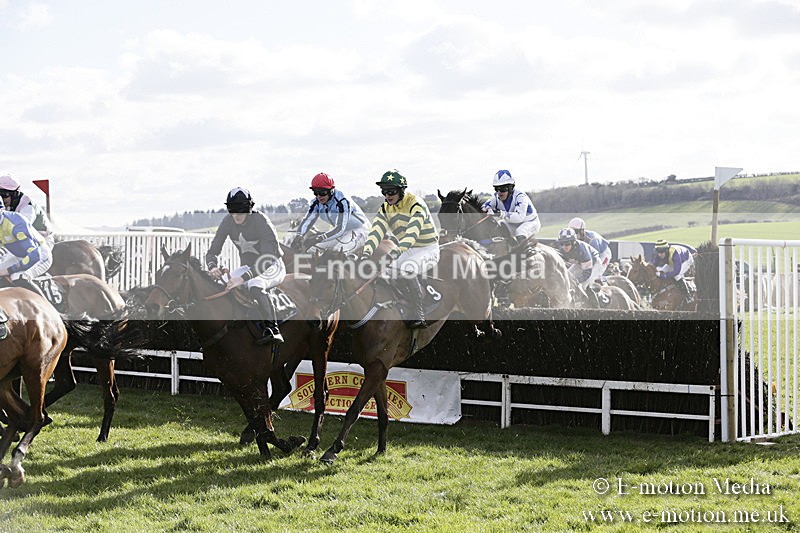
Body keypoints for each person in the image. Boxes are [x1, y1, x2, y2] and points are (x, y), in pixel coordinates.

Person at [205, 187, 285, 345]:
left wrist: (243, 278)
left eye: (239, 212)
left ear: (249, 208)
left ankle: (273, 329)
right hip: (249, 267)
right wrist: (213, 266)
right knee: (225, 285)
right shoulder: (228, 220)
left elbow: (267, 259)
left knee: (255, 284)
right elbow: (212, 251)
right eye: (232, 212)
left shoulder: (262, 221)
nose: (235, 216)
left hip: (272, 265)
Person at [361, 170, 439, 328]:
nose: (387, 195)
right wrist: (366, 254)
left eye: (391, 191)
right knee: (386, 273)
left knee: (407, 269)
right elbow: (376, 232)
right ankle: (402, 301)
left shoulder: (416, 204)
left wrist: (393, 254)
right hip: (408, 249)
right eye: (384, 192)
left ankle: (420, 314)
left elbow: (411, 235)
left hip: (427, 248)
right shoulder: (386, 208)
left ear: (401, 190)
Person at [292, 173, 370, 253]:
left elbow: (340, 228)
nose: (319, 196)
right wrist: (299, 235)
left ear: (331, 190)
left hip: (360, 230)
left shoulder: (342, 201)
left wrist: (319, 238)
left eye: (322, 192)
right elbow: (308, 220)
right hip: (341, 233)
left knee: (338, 250)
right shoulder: (316, 203)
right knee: (312, 250)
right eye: (316, 192)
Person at [0, 203, 51, 298]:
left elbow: (34, 256)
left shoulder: (15, 223)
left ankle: (48, 308)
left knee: (18, 277)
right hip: (18, 255)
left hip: (40, 255)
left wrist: (9, 270)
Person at [481, 170, 541, 245]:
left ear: (510, 188)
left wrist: (500, 213)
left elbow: (520, 217)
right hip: (512, 224)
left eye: (502, 189)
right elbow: (483, 206)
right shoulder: (496, 197)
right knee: (497, 227)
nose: (499, 192)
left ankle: (525, 255)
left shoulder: (521, 197)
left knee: (520, 232)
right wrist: (488, 209)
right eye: (497, 189)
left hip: (530, 222)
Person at [0, 174, 54, 251]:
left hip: (42, 242)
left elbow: (20, 229)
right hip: (22, 241)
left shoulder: (27, 206)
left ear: (15, 194)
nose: (1, 199)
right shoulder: (6, 205)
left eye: (4, 195)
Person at [556, 227, 604, 302]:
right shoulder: (561, 250)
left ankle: (596, 306)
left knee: (584, 285)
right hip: (579, 263)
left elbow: (587, 273)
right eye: (562, 243)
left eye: (567, 243)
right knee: (567, 279)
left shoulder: (582, 250)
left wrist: (577, 280)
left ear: (573, 242)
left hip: (595, 263)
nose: (564, 246)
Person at [651, 239, 696, 305]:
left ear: (666, 250)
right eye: (658, 252)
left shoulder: (675, 254)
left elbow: (676, 271)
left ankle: (688, 296)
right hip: (673, 263)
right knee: (662, 271)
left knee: (677, 276)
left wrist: (664, 276)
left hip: (686, 260)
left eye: (661, 252)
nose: (660, 254)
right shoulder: (659, 255)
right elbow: (652, 265)